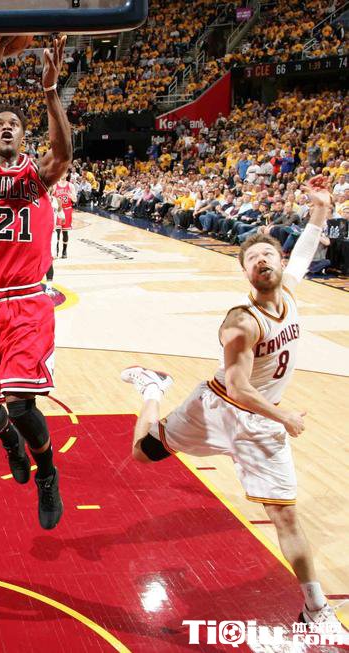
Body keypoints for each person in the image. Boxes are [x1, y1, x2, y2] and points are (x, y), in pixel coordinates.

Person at [120, 176, 346, 634]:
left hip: (261, 425)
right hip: (217, 408)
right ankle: (152, 389)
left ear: (279, 263)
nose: (262, 260)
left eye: (268, 254)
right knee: (144, 453)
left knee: (285, 514)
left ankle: (315, 608)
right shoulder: (241, 322)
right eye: (252, 258)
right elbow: (240, 388)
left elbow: (304, 252)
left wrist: (320, 210)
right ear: (245, 273)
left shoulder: (290, 291)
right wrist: (284, 415)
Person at [0, 34, 71, 530]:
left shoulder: (40, 176)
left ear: (23, 136)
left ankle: (48, 472)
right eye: (0, 121)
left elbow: (63, 151)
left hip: (25, 303)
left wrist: (50, 90)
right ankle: (9, 444)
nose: (5, 126)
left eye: (14, 123)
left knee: (21, 402)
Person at [52, 174, 76, 258]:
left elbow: (75, 200)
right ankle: (56, 249)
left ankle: (64, 250)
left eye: (64, 172)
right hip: (58, 209)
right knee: (57, 231)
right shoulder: (55, 185)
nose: (62, 174)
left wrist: (71, 196)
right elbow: (50, 195)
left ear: (67, 174)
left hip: (67, 209)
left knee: (65, 232)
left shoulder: (70, 185)